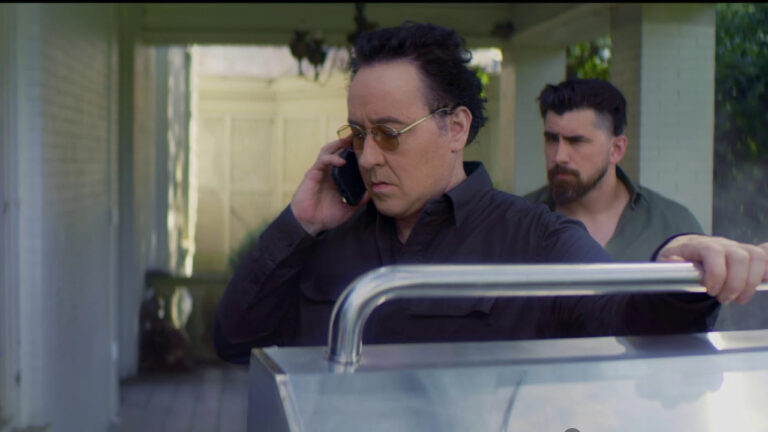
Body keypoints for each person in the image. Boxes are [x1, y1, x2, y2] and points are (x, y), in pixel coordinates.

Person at [214, 22, 768, 364]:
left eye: (389, 133)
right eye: (358, 135)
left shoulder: (537, 238)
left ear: (455, 128)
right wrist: (300, 223)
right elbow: (236, 341)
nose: (369, 157)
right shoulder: (327, 240)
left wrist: (680, 273)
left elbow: (628, 318)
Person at [525, 78, 704, 261]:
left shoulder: (673, 226)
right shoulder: (518, 222)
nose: (559, 157)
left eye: (576, 141)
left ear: (616, 149)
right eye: (551, 140)